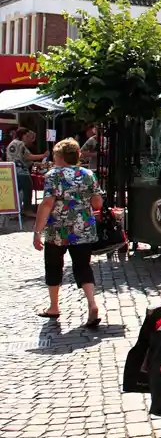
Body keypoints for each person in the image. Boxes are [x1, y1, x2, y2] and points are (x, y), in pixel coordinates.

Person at [33, 138, 103, 327]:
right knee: (83, 267)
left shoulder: (53, 175)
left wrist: (37, 232)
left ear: (60, 156)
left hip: (58, 230)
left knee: (54, 265)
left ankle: (54, 307)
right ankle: (92, 304)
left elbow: (47, 204)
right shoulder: (88, 174)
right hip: (84, 229)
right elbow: (97, 203)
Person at [8, 128, 48, 217]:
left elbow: (23, 159)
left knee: (16, 191)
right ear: (23, 135)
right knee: (28, 188)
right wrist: (43, 155)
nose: (28, 138)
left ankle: (13, 211)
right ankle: (27, 210)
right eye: (27, 136)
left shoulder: (13, 143)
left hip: (12, 171)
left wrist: (36, 163)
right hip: (21, 171)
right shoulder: (20, 144)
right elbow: (28, 156)